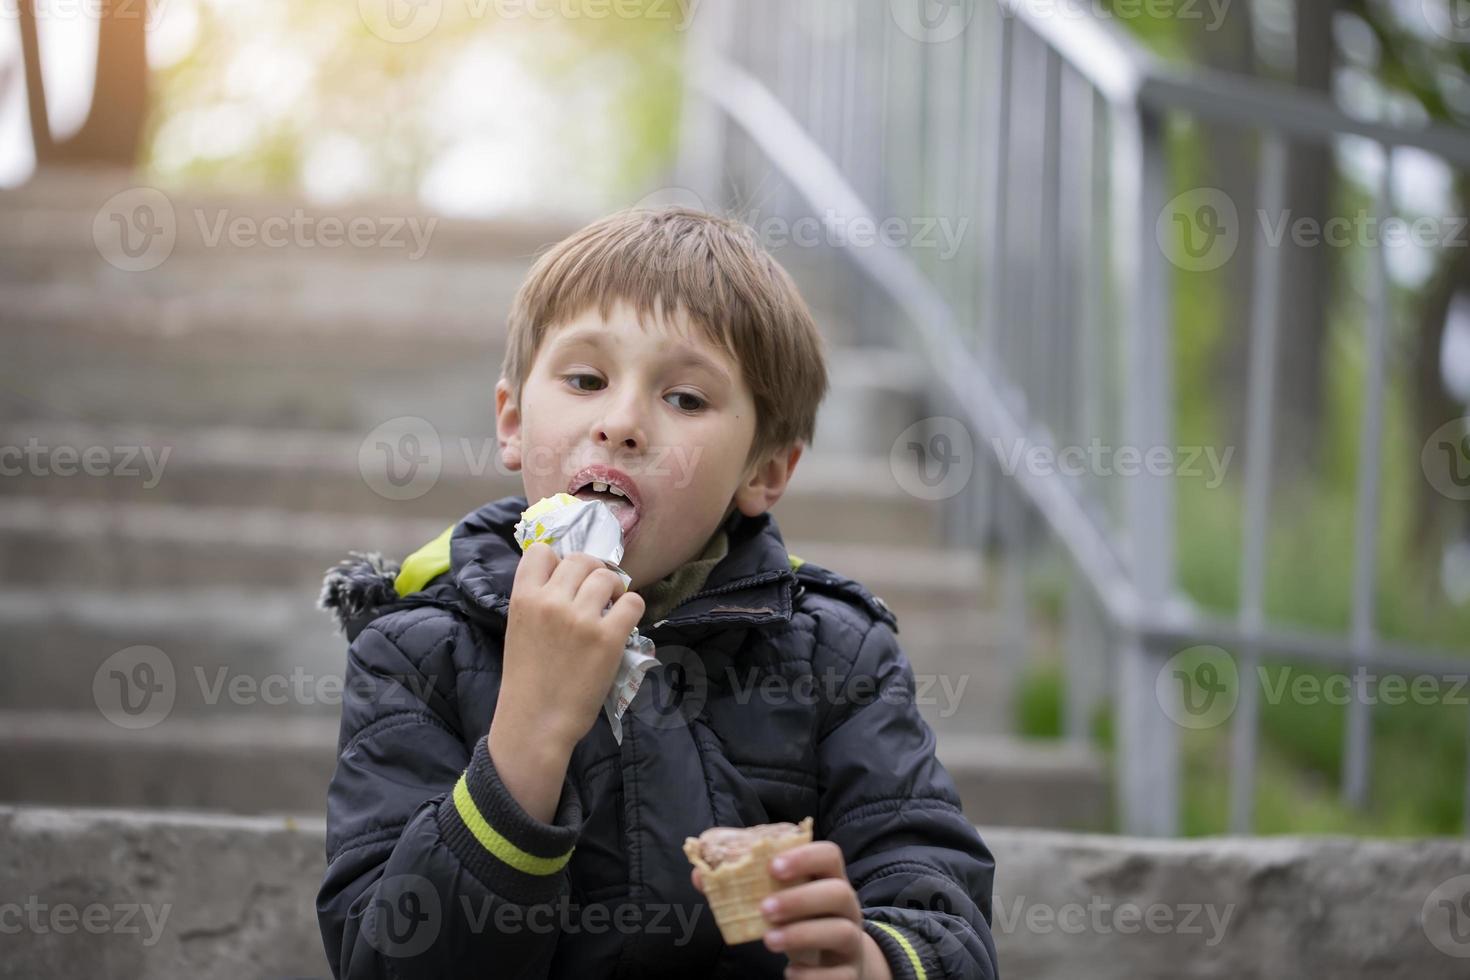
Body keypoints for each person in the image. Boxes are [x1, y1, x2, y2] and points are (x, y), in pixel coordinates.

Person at [315, 207, 999, 979]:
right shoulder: (415, 650)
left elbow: (943, 904)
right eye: (585, 380)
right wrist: (527, 739)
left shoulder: (837, 653)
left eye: (685, 399)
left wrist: (873, 961)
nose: (621, 422)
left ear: (764, 472)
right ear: (511, 420)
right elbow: (384, 957)